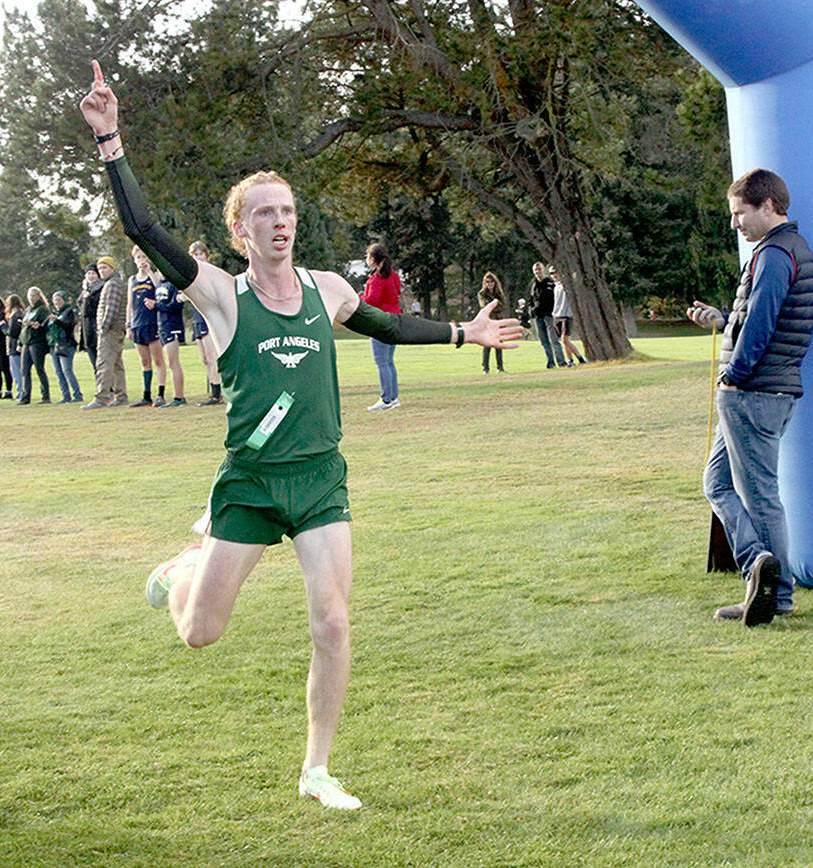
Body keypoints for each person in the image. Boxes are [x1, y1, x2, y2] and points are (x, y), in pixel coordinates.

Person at [79, 59, 521, 810]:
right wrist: (111, 141)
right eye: (264, 213)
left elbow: (386, 325)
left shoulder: (327, 288)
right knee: (200, 633)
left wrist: (461, 332)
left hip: (319, 479)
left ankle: (316, 769)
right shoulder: (220, 295)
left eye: (286, 210)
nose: (280, 222)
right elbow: (143, 229)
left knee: (333, 621)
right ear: (240, 230)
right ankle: (184, 570)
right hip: (250, 484)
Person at [687, 168, 813, 626]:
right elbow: (758, 319)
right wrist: (722, 321)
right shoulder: (787, 250)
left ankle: (774, 592)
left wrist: (733, 375)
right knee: (716, 484)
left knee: (759, 494)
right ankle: (760, 565)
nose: (734, 223)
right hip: (767, 389)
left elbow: (762, 322)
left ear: (769, 206)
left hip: (753, 392)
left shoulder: (775, 255)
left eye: (740, 213)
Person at [84, 255, 129, 409]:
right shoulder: (114, 283)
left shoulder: (112, 285)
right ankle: (121, 396)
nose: (102, 271)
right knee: (116, 366)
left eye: (105, 267)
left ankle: (101, 398)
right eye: (100, 268)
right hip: (116, 330)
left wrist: (103, 328)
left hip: (110, 331)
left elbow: (111, 309)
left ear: (112, 269)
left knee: (104, 364)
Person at [362, 243, 401, 410]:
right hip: (395, 319)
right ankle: (393, 397)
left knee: (381, 362)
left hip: (381, 321)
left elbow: (371, 300)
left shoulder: (377, 279)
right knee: (389, 361)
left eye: (368, 256)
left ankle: (386, 399)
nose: (366, 259)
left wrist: (357, 297)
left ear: (374, 259)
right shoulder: (393, 275)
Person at [127, 246, 167, 407]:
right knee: (144, 361)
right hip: (138, 324)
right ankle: (146, 395)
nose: (141, 260)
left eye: (144, 257)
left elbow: (160, 288)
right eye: (138, 257)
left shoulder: (154, 275)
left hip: (152, 322)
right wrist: (128, 325)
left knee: (158, 359)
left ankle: (160, 394)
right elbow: (130, 304)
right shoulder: (132, 280)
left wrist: (149, 272)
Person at [185, 241, 223, 405]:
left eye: (201, 254)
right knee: (205, 358)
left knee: (213, 356)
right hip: (197, 318)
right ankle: (213, 389)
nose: (198, 257)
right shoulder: (191, 275)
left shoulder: (211, 273)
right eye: (195, 255)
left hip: (209, 318)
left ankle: (217, 393)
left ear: (206, 255)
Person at [154, 271, 187, 406]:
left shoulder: (173, 284)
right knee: (169, 362)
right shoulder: (159, 284)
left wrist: (155, 305)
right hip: (162, 326)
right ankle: (176, 396)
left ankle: (179, 397)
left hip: (172, 326)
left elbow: (175, 305)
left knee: (173, 362)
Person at [19, 286, 53, 404]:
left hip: (37, 342)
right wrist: (20, 343)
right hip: (26, 342)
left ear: (39, 296)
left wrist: (38, 326)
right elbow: (23, 328)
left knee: (39, 369)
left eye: (34, 295)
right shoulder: (28, 310)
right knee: (24, 370)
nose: (32, 298)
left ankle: (45, 396)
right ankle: (25, 396)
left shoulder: (42, 309)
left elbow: (46, 326)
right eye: (30, 296)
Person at [527, 262, 564, 368]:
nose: (538, 272)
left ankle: (561, 362)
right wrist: (531, 309)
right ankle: (550, 363)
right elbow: (530, 299)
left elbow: (555, 299)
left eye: (539, 269)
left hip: (549, 315)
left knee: (554, 340)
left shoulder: (550, 282)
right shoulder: (533, 285)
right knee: (544, 341)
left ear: (543, 270)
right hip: (538, 316)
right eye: (535, 270)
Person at [49, 291, 83, 403]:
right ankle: (65, 396)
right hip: (54, 344)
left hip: (66, 344)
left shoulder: (69, 312)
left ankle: (77, 395)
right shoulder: (53, 312)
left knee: (67, 370)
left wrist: (57, 321)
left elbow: (69, 326)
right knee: (58, 372)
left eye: (59, 300)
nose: (57, 302)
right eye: (55, 300)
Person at [550, 266, 586, 366]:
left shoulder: (567, 284)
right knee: (565, 341)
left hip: (566, 315)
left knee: (565, 339)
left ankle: (581, 359)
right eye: (552, 273)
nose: (554, 275)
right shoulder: (556, 286)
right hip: (557, 315)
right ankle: (570, 360)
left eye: (555, 272)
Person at [477, 272, 508, 373]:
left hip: (498, 321)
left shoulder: (499, 293)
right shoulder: (482, 294)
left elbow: (503, 305)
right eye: (487, 282)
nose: (489, 284)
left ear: (495, 282)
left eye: (491, 282)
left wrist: (494, 305)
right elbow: (484, 306)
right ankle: (485, 368)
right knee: (487, 345)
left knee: (499, 345)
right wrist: (495, 305)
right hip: (488, 321)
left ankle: (500, 367)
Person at [78, 264, 103, 370]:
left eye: (93, 273)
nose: (91, 276)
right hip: (87, 329)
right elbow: (80, 304)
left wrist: (88, 297)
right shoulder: (85, 290)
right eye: (88, 273)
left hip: (96, 326)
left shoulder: (101, 288)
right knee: (94, 363)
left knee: (101, 362)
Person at [3, 294, 26, 401]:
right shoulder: (21, 313)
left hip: (14, 346)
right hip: (17, 346)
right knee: (18, 370)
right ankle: (21, 392)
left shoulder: (15, 315)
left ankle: (21, 392)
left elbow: (12, 332)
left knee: (16, 371)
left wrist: (2, 327)